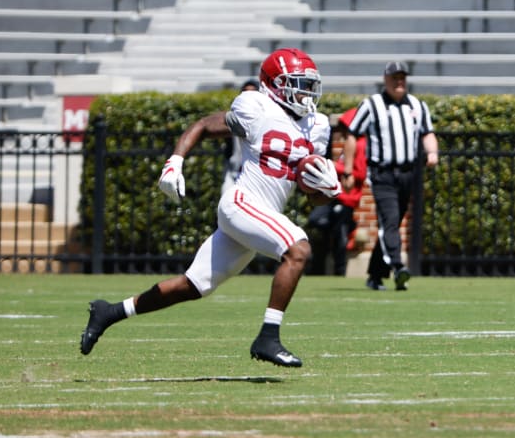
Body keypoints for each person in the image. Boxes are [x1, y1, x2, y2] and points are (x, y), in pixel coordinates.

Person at [80, 48, 341, 367]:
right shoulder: (256, 106)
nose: (305, 92)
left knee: (193, 285)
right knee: (298, 249)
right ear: (274, 84)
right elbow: (205, 124)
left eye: (309, 85)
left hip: (260, 215)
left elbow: (310, 192)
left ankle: (110, 312)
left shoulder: (317, 125)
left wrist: (326, 188)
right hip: (242, 202)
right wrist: (174, 163)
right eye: (297, 83)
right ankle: (268, 338)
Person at [342, 61, 439, 291]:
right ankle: (398, 267)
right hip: (382, 174)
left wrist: (432, 152)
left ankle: (375, 275)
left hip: (408, 173)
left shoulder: (417, 105)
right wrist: (347, 170)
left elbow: (428, 133)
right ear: (385, 80)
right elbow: (351, 135)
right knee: (390, 219)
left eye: (402, 78)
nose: (399, 82)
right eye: (395, 78)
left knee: (391, 223)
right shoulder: (372, 105)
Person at [308, 108, 368, 276]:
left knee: (339, 233)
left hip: (348, 197)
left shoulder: (361, 144)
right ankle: (320, 267)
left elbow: (360, 173)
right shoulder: (349, 145)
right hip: (337, 195)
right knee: (320, 225)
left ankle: (339, 270)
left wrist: (335, 167)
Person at [221, 79, 260, 194]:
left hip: (255, 179)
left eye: (253, 93)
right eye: (245, 93)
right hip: (234, 174)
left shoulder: (266, 119)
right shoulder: (234, 117)